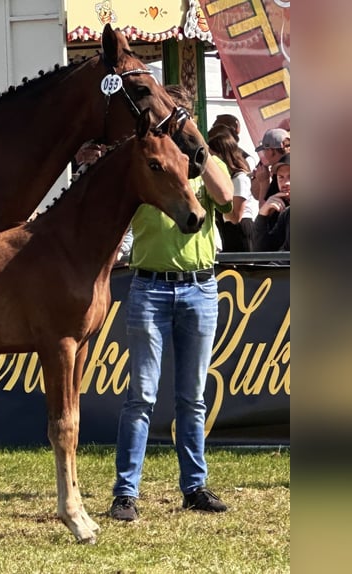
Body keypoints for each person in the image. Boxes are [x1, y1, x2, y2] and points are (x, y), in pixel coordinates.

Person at [110, 84, 233, 522]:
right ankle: (126, 492)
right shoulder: (148, 166)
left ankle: (194, 487)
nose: (175, 123)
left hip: (198, 286)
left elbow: (227, 199)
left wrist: (197, 145)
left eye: (181, 115)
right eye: (171, 116)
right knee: (141, 395)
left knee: (192, 398)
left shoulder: (203, 165)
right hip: (151, 285)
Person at [208, 130, 258, 251]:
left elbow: (236, 216)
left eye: (212, 156)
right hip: (227, 229)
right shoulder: (229, 178)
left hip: (240, 229)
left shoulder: (240, 178)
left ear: (222, 155)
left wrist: (218, 200)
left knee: (241, 268)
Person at [253, 153, 289, 252]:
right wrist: (262, 215)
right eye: (281, 177)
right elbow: (262, 252)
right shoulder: (286, 213)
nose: (286, 183)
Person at [250, 128, 289, 206]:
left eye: (264, 151)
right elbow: (256, 194)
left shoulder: (282, 171)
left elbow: (264, 212)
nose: (264, 154)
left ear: (270, 151)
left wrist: (264, 182)